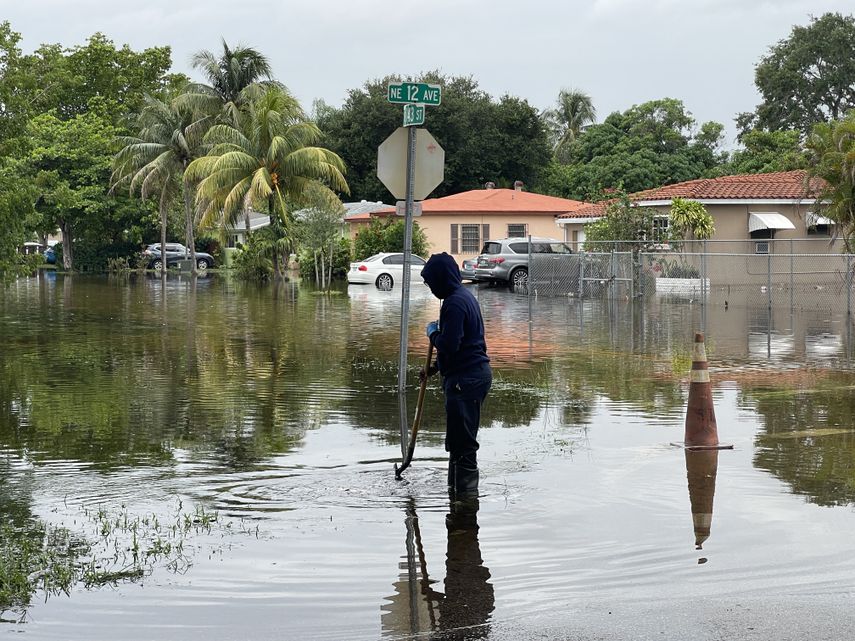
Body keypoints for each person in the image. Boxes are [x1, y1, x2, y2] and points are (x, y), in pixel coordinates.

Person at [420, 252, 492, 494]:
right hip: (469, 375)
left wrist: (432, 333)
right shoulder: (462, 297)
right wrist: (435, 368)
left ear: (442, 278)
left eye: (432, 283)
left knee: (462, 443)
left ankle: (466, 502)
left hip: (466, 380)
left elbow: (449, 344)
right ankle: (456, 498)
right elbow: (461, 346)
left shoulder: (454, 303)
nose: (431, 289)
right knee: (457, 441)